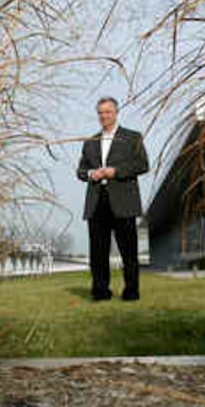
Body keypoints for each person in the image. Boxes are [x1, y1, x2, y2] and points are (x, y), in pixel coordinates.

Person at [76, 96, 149, 301]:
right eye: (100, 112)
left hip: (123, 202)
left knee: (129, 251)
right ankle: (100, 291)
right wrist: (92, 174)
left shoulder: (133, 137)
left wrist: (114, 171)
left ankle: (131, 291)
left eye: (108, 112)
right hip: (97, 201)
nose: (104, 116)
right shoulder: (90, 142)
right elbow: (80, 171)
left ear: (116, 113)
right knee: (98, 251)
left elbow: (142, 165)